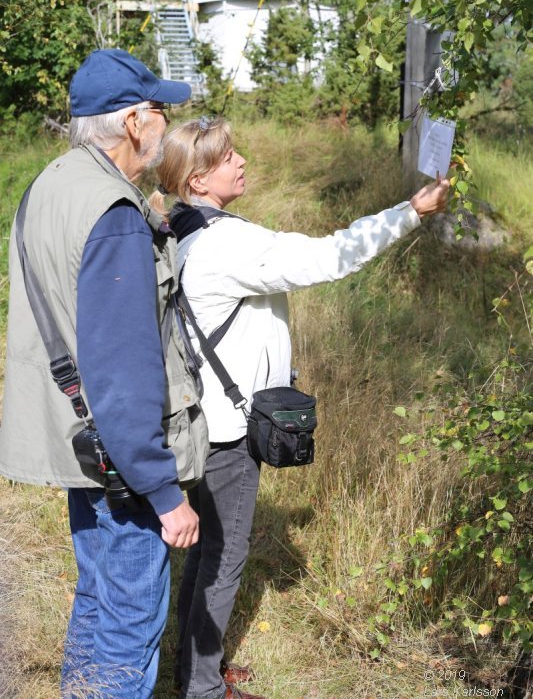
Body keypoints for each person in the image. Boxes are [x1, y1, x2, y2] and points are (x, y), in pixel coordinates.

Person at [150, 116, 450, 699]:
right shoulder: (225, 242)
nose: (241, 161)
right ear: (198, 178)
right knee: (224, 557)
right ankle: (204, 688)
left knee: (210, 547)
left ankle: (193, 667)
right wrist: (412, 211)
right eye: (227, 156)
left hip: (201, 420)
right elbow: (330, 257)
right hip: (229, 432)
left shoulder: (182, 229)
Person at [0, 49, 209, 698]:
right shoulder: (113, 212)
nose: (165, 127)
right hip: (122, 458)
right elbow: (122, 369)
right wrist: (164, 492)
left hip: (79, 441)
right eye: (157, 112)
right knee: (128, 621)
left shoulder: (51, 183)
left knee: (96, 598)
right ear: (131, 122)